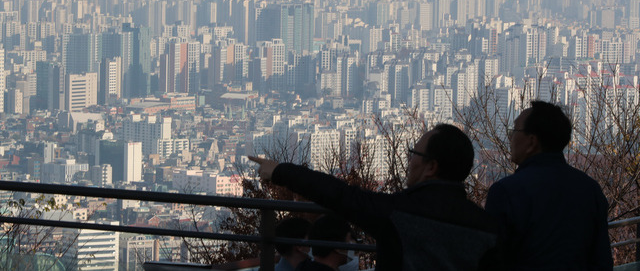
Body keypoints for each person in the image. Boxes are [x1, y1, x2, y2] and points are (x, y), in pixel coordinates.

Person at [250, 123, 502, 270]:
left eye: (414, 152)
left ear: (431, 167)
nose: (410, 159)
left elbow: (338, 194)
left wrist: (280, 171)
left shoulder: (397, 214)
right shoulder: (489, 229)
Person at [485, 100, 613, 270]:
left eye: (514, 131)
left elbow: (491, 261)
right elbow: (602, 260)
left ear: (532, 142)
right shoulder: (590, 189)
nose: (510, 138)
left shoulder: (506, 192)